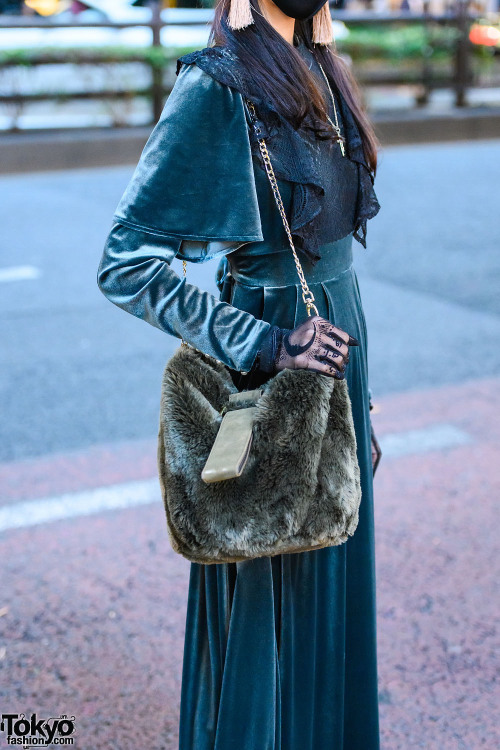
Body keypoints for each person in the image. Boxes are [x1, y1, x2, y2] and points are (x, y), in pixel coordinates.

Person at [97, 0, 382, 746]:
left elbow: (336, 268)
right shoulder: (217, 84)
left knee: (331, 568)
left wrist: (366, 405)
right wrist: (259, 340)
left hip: (338, 364)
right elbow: (124, 264)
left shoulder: (325, 69)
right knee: (267, 583)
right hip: (269, 367)